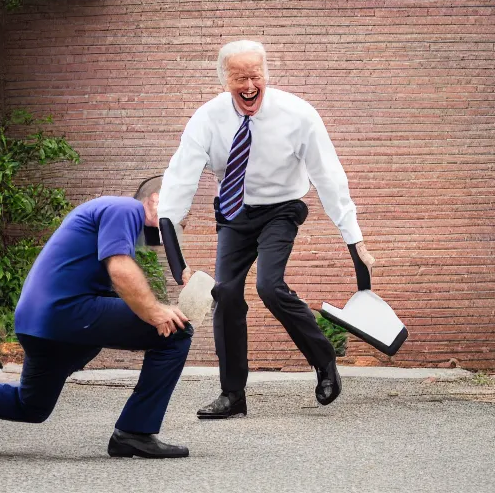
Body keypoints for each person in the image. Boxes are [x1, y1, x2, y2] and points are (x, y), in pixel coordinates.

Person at [158, 40, 375, 420]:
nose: (248, 85)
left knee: (269, 286)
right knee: (225, 294)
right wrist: (175, 251)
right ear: (224, 79)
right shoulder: (207, 120)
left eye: (255, 76)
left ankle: (323, 360)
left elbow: (329, 178)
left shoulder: (299, 115)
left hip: (281, 209)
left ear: (266, 76)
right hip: (233, 213)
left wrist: (354, 241)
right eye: (239, 77)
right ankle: (232, 395)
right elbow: (180, 180)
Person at [0, 176, 193, 458]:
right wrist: (155, 312)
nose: (182, 222)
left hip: (39, 322)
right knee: (176, 330)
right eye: (181, 213)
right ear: (157, 200)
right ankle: (134, 432)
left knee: (31, 406)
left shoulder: (115, 218)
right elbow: (121, 270)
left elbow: (138, 260)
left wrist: (180, 273)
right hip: (64, 312)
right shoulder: (125, 208)